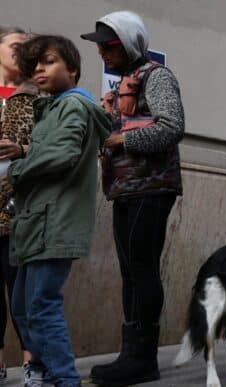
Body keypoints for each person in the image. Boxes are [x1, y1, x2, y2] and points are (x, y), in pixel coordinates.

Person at [81, 11, 185, 385]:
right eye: (99, 47)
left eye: (109, 45)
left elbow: (172, 127)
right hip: (126, 188)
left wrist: (121, 138)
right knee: (130, 271)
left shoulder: (156, 77)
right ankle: (131, 354)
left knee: (141, 270)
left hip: (151, 188)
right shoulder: (124, 81)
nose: (103, 53)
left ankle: (143, 358)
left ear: (128, 43)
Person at [12, 34, 110, 387]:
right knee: (24, 307)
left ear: (72, 68)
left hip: (54, 223)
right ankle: (47, 373)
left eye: (49, 60)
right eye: (34, 63)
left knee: (41, 306)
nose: (39, 68)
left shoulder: (71, 105)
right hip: (38, 223)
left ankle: (65, 379)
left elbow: (63, 154)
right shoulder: (51, 107)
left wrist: (20, 168)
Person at [0, 26, 34, 379]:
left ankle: (30, 361)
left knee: (22, 290)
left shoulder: (36, 97)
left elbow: (54, 148)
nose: (21, 51)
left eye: (27, 48)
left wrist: (23, 149)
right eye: (14, 45)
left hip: (20, 209)